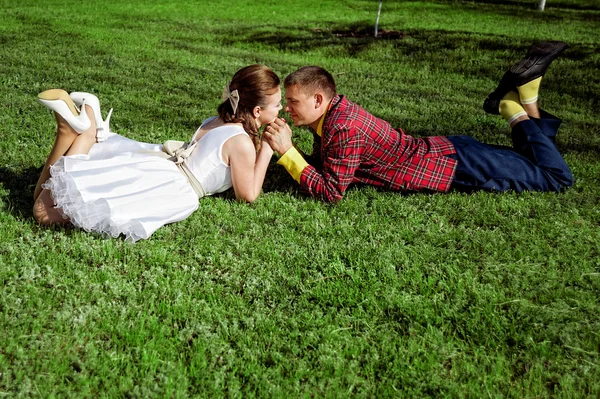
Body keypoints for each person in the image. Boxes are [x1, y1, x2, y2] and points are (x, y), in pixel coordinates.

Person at [263, 41, 574, 203]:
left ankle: (512, 107)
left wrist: (288, 153)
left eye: (293, 102)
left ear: (318, 100)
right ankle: (526, 95)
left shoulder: (343, 127)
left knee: (557, 179)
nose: (288, 109)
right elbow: (326, 167)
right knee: (530, 160)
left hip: (461, 167)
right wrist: (289, 152)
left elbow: (331, 192)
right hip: (453, 153)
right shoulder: (333, 117)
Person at [33, 64, 282, 242]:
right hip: (169, 185)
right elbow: (247, 195)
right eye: (278, 105)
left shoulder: (217, 121)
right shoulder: (241, 143)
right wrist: (268, 150)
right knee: (43, 213)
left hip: (161, 166)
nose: (281, 109)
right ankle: (79, 133)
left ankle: (70, 132)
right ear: (258, 111)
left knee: (43, 200)